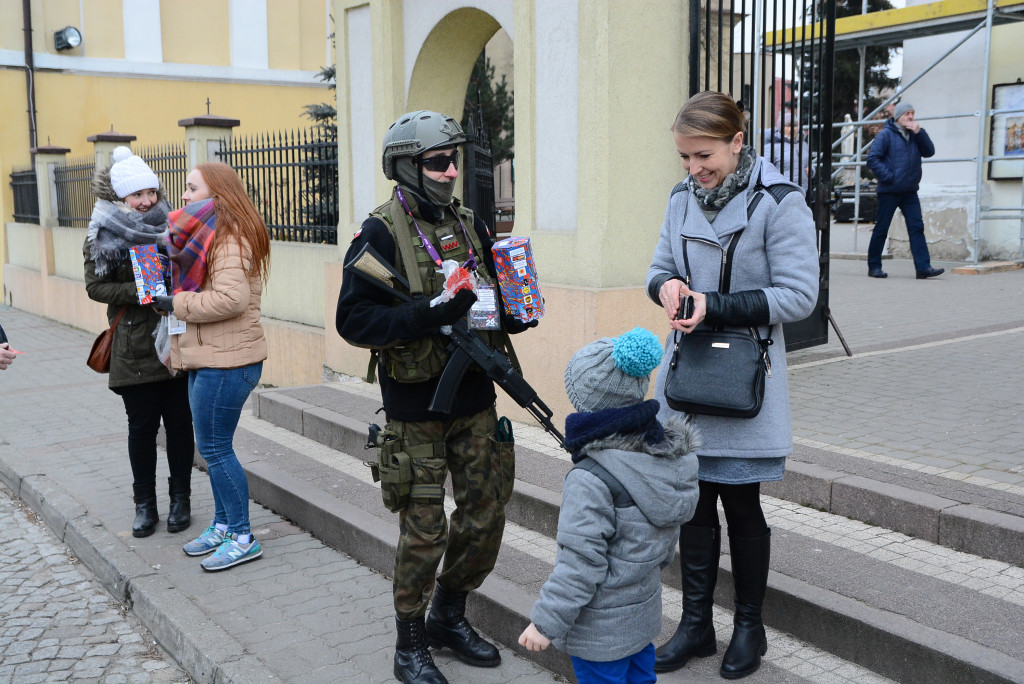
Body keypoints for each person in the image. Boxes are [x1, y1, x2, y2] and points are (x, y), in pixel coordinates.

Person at [336, 110, 537, 684]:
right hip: (416, 410)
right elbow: (355, 319)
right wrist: (427, 314)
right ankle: (410, 643)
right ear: (405, 168)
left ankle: (449, 615)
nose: (451, 171)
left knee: (484, 516)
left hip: (475, 399)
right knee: (425, 529)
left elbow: (491, 292)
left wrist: (514, 312)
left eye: (455, 159)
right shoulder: (379, 232)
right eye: (436, 162)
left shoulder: (469, 222)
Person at [646, 91, 818, 679]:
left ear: (737, 141)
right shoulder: (680, 199)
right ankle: (695, 626)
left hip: (745, 376)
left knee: (743, 507)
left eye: (704, 156)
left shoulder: (781, 201)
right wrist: (666, 289)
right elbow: (660, 269)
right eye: (685, 158)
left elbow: (799, 296)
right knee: (692, 506)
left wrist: (713, 303)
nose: (694, 170)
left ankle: (750, 627)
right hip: (688, 375)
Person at [519, 328, 700, 684]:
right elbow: (663, 544)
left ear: (586, 402)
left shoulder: (591, 478)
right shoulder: (662, 459)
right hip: (641, 617)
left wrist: (546, 623)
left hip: (598, 631)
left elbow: (580, 563)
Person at [155, 162, 270, 572]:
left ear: (215, 194)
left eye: (191, 188)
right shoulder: (208, 236)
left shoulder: (230, 238)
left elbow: (231, 300)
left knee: (216, 449)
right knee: (212, 448)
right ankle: (223, 525)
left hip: (229, 362)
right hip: (210, 359)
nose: (183, 196)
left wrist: (176, 303)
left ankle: (242, 536)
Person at [83, 146, 195, 538]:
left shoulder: (174, 225)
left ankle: (182, 499)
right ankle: (145, 505)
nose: (147, 201)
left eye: (152, 192)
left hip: (176, 338)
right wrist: (141, 290)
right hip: (133, 344)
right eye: (138, 195)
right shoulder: (103, 232)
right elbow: (95, 286)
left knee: (181, 425)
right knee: (142, 428)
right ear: (120, 198)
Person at [865, 102, 943, 279]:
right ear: (898, 116)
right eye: (907, 114)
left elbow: (929, 151)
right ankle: (874, 266)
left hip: (909, 190)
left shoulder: (915, 135)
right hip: (889, 190)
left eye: (912, 113)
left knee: (916, 228)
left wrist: (919, 132)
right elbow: (873, 159)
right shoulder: (886, 135)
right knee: (882, 228)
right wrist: (890, 177)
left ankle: (923, 268)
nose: (911, 117)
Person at [767, 111, 812, 198]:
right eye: (788, 126)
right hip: (782, 192)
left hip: (804, 191)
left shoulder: (804, 145)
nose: (793, 129)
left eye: (795, 125)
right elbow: (767, 170)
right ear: (781, 128)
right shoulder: (772, 146)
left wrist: (811, 170)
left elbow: (809, 164)